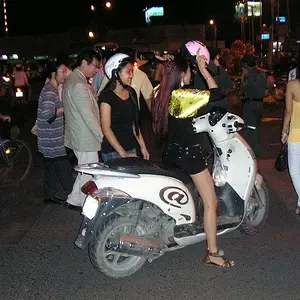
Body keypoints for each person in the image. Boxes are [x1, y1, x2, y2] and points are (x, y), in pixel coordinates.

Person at [151, 51, 234, 268]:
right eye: (188, 71)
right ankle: (213, 253)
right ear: (182, 74)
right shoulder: (183, 96)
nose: (190, 74)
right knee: (211, 202)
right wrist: (203, 68)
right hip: (189, 154)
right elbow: (216, 94)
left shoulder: (161, 92)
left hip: (171, 152)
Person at [63, 48, 103, 210]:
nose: (97, 69)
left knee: (85, 169)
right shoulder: (78, 83)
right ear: (84, 63)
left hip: (78, 134)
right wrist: (101, 136)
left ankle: (73, 200)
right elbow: (87, 115)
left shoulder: (73, 79)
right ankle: (85, 203)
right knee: (89, 171)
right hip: (84, 136)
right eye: (95, 65)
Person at [99, 53, 150, 162]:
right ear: (115, 73)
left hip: (131, 148)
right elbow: (106, 128)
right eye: (128, 71)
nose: (131, 75)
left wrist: (143, 147)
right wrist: (123, 153)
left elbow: (134, 124)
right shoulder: (106, 97)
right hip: (113, 152)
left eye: (131, 71)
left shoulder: (131, 92)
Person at [36, 60, 74, 204]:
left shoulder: (51, 88)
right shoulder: (49, 92)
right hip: (52, 141)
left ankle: (49, 195)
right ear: (54, 73)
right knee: (64, 168)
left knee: (51, 168)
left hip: (50, 139)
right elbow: (47, 115)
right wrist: (65, 108)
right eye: (62, 71)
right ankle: (73, 196)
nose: (65, 74)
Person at [240, 54, 268, 158]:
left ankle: (253, 152)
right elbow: (266, 90)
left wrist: (243, 76)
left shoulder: (248, 74)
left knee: (250, 129)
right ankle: (256, 149)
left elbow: (243, 89)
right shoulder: (262, 73)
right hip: (260, 103)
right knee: (255, 127)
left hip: (250, 103)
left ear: (246, 64)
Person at [281, 61, 300, 215]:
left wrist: (284, 131)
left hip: (296, 133)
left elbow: (288, 111)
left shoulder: (293, 85)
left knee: (294, 171)